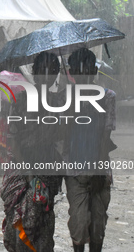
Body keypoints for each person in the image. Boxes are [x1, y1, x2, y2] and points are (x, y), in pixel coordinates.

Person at [0, 52, 64, 252]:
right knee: (23, 224)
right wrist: (28, 174)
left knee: (43, 222)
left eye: (52, 70)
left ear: (56, 74)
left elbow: (62, 136)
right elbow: (14, 139)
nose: (47, 75)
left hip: (49, 172)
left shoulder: (60, 102)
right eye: (42, 70)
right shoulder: (20, 100)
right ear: (35, 73)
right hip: (24, 170)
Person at [64, 48, 116, 252]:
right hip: (74, 172)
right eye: (77, 70)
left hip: (99, 170)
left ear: (94, 71)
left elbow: (105, 137)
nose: (82, 74)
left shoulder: (107, 97)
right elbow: (64, 135)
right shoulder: (67, 99)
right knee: (78, 223)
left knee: (97, 225)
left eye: (86, 70)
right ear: (72, 72)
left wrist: (98, 172)